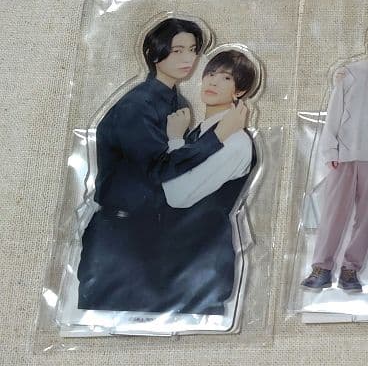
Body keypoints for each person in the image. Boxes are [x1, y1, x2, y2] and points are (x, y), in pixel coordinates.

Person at [77, 19, 247, 312]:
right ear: (154, 53)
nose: (187, 59)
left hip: (157, 236)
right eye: (177, 50)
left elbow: (181, 174)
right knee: (108, 319)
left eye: (192, 50)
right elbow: (160, 170)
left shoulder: (179, 104)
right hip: (119, 233)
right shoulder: (137, 106)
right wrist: (218, 136)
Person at [301, 21, 368, 293]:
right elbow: (334, 113)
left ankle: (350, 270)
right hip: (344, 156)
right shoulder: (350, 73)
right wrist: (331, 149)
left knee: (366, 217)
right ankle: (321, 269)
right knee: (333, 214)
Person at [160, 48, 259, 315]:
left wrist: (174, 140)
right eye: (211, 74)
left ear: (240, 91)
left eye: (226, 78)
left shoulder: (236, 141)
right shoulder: (198, 133)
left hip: (202, 267)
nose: (214, 82)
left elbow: (178, 196)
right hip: (173, 258)